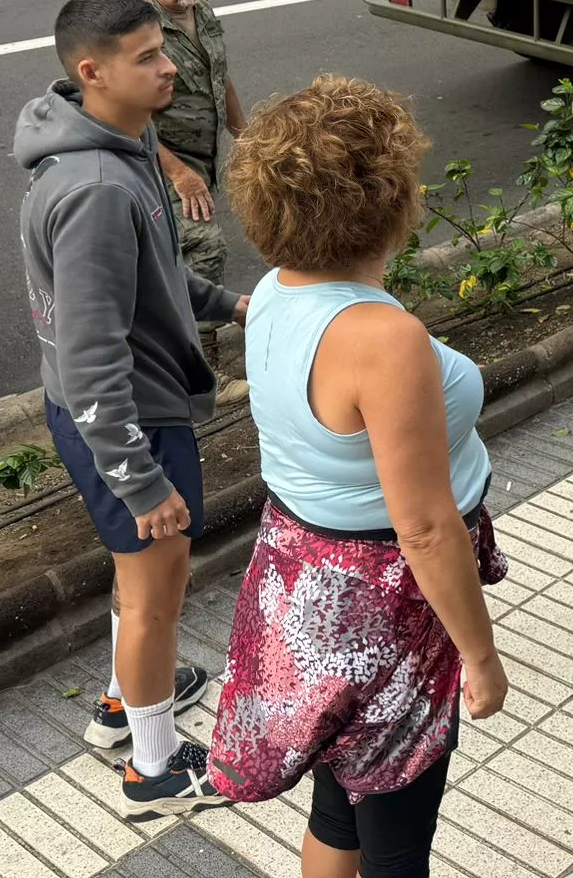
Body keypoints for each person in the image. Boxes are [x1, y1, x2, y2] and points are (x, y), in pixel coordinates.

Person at [209, 76, 509, 878]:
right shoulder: (382, 336)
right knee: (399, 831)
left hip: (302, 574)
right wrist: (479, 653)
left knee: (341, 801)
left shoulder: (276, 292)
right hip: (389, 599)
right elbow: (424, 524)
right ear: (387, 195)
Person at [15, 0, 246, 813]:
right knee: (157, 593)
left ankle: (126, 699)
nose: (170, 66)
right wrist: (139, 481)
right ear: (91, 72)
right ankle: (153, 765)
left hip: (128, 412)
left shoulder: (125, 141)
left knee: (141, 582)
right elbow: (89, 356)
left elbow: (151, 274)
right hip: (126, 422)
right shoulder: (95, 190)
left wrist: (226, 304)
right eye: (148, 55)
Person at [139, 0, 246, 362]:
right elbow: (127, 111)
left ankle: (164, 351)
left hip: (204, 159)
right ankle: (204, 368)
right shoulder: (137, 27)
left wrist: (247, 134)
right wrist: (178, 173)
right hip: (160, 165)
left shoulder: (201, 11)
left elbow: (219, 76)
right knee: (203, 246)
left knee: (170, 258)